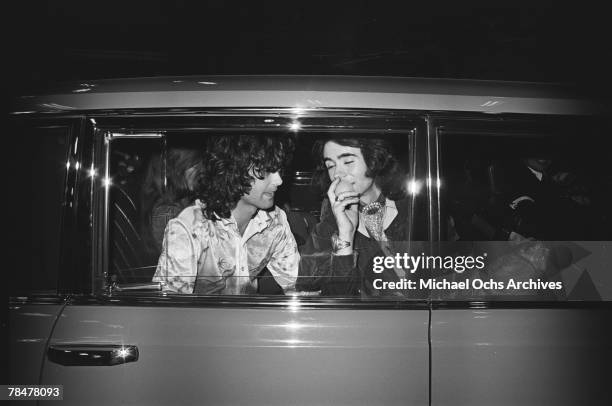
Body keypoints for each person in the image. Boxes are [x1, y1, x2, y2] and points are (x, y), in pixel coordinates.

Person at [152, 134, 299, 295]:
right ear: (235, 169)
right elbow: (168, 310)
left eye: (278, 169)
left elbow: (295, 285)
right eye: (265, 170)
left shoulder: (274, 222)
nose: (278, 180)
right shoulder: (190, 228)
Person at [298, 136, 426, 296]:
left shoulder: (417, 207)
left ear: (374, 159)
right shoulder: (329, 225)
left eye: (348, 162)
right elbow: (334, 301)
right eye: (330, 165)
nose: (338, 174)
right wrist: (345, 236)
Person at [140, 147, 202, 255]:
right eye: (193, 165)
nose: (201, 171)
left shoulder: (181, 200)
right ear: (176, 169)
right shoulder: (167, 211)